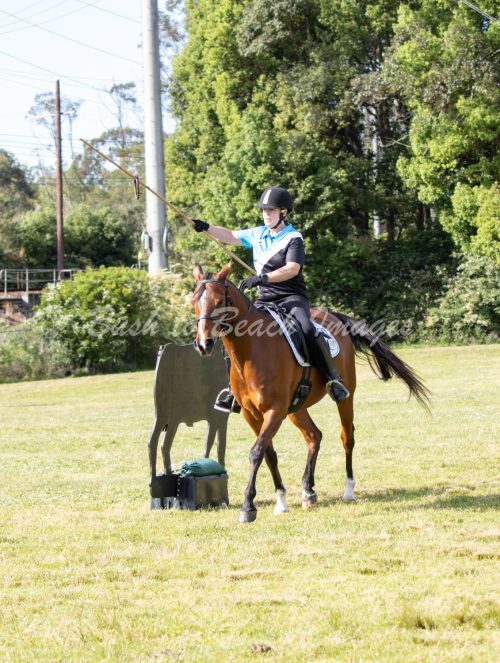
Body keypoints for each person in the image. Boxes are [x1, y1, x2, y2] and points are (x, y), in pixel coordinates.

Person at [192, 186, 349, 412]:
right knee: (233, 332)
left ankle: (333, 380)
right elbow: (231, 235)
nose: (266, 214)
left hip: (291, 298)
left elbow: (292, 269)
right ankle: (234, 390)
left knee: (307, 329)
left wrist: (262, 278)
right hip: (265, 300)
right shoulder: (258, 234)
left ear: (283, 212)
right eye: (264, 210)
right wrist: (206, 227)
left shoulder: (293, 238)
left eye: (271, 210)